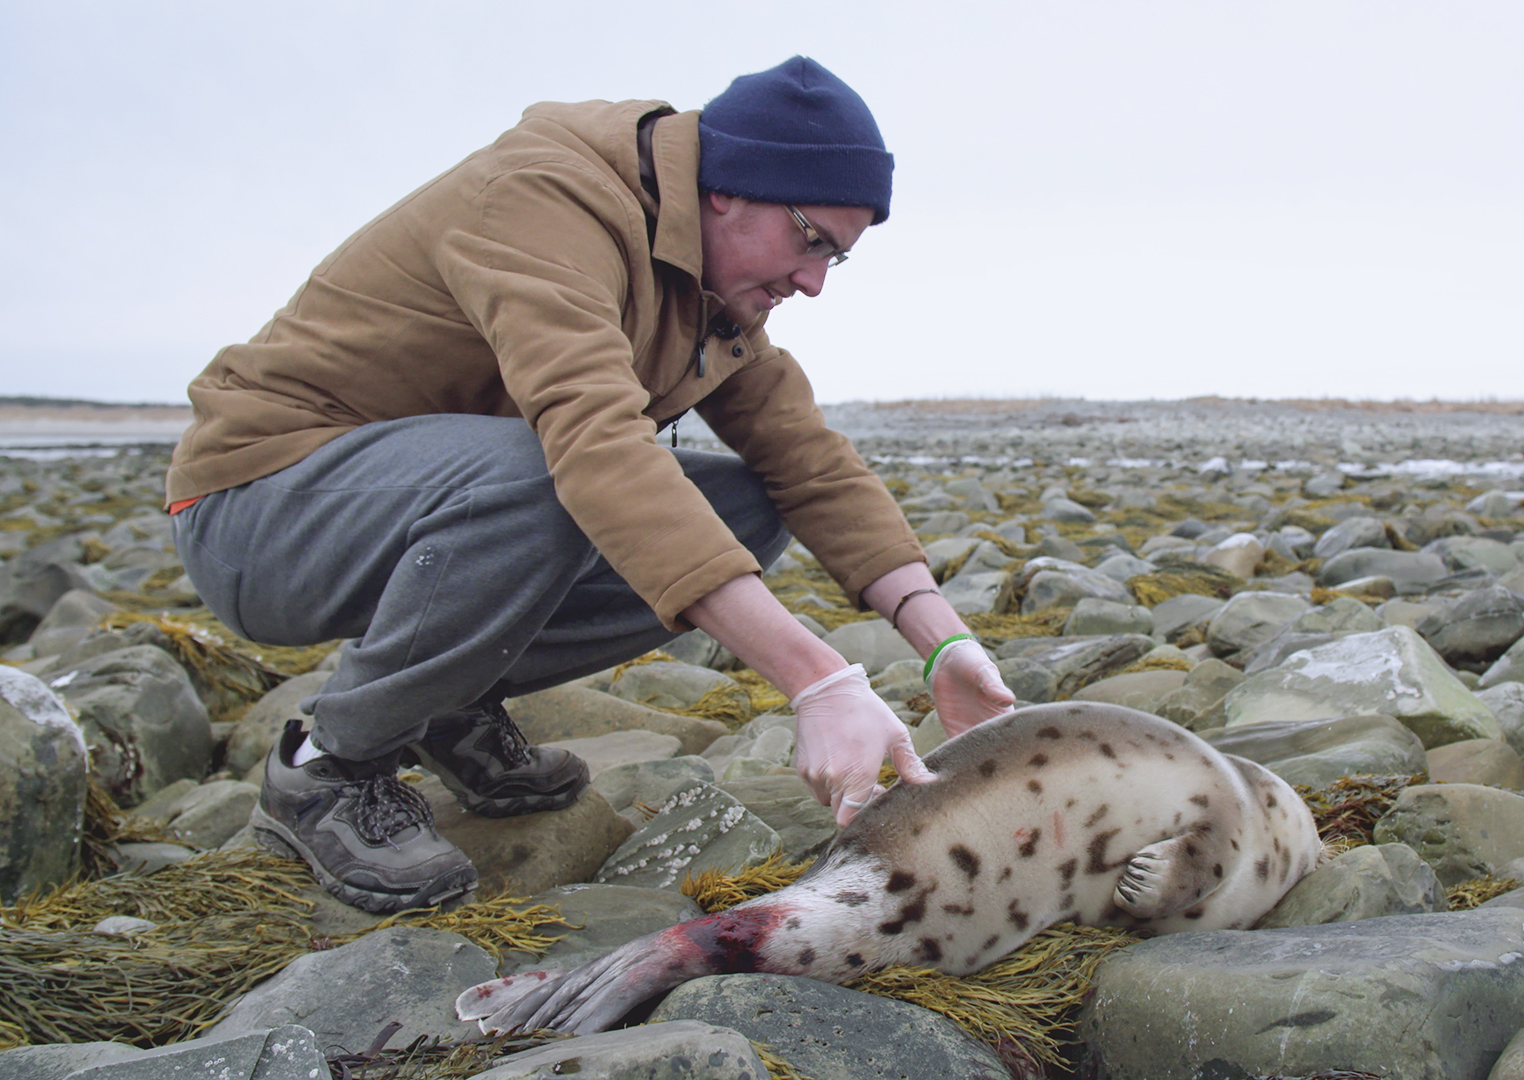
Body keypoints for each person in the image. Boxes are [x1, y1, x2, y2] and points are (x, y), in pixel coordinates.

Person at [165, 57, 1017, 914]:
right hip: (258, 506)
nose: (814, 282)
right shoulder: (543, 197)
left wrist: (945, 643)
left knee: (746, 507)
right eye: (811, 241)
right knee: (552, 473)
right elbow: (593, 438)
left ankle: (447, 701)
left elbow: (810, 464)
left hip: (406, 507)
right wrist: (818, 680)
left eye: (838, 258)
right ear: (731, 189)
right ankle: (330, 766)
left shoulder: (710, 286)